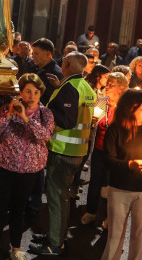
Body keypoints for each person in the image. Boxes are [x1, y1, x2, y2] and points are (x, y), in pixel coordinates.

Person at [29, 52, 94, 256]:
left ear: (66, 64)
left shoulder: (70, 88)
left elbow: (67, 120)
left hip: (63, 151)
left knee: (56, 198)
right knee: (62, 198)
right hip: (77, 150)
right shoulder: (85, 87)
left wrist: (43, 109)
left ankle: (54, 243)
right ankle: (56, 236)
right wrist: (60, 88)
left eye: (63, 61)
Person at [0, 74, 54, 260]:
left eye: (36, 92)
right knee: (0, 207)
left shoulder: (45, 114)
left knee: (19, 209)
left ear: (40, 95)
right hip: (4, 167)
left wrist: (25, 118)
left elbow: (44, 135)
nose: (31, 96)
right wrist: (9, 115)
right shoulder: (7, 109)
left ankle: (16, 247)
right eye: (28, 91)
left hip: (29, 171)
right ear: (21, 92)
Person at [101, 90, 142, 260]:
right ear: (131, 108)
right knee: (115, 236)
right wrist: (131, 164)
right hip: (120, 188)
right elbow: (108, 159)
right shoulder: (115, 130)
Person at [82, 71, 128, 225]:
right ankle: (91, 211)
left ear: (121, 88)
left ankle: (109, 216)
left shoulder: (125, 108)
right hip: (99, 150)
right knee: (95, 181)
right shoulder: (101, 101)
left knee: (111, 185)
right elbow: (92, 123)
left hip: (115, 153)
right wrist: (92, 121)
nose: (107, 87)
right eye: (107, 84)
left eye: (111, 85)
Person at [31, 38, 63, 102]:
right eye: (32, 53)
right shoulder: (33, 68)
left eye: (36, 54)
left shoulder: (56, 73)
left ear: (48, 54)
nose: (33, 56)